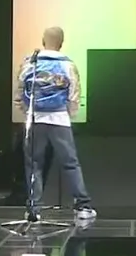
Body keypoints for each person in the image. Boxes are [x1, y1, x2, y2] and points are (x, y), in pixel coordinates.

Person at [18, 26, 96, 223]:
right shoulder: (68, 65)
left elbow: (20, 91)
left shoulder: (30, 63)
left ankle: (33, 208)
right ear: (61, 43)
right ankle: (83, 206)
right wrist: (69, 113)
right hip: (59, 119)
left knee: (34, 164)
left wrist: (27, 111)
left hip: (35, 119)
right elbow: (74, 94)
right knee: (70, 163)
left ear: (43, 41)